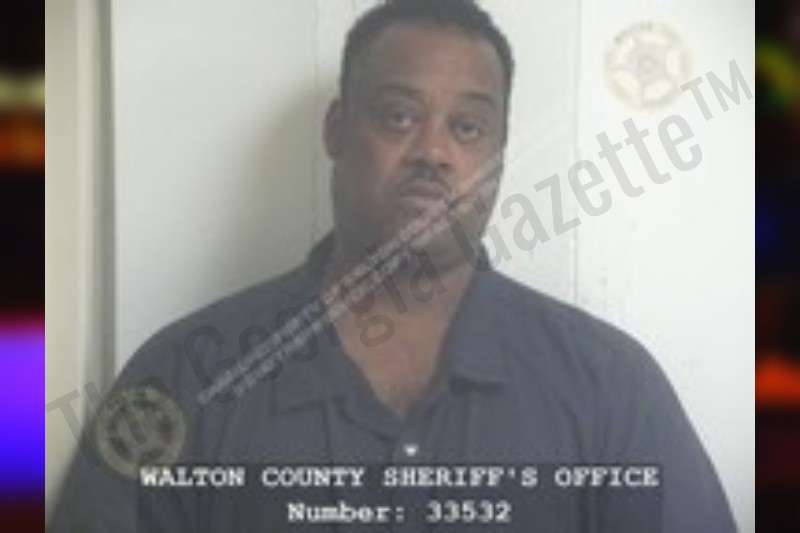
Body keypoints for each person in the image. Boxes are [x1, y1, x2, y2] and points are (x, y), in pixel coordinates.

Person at [48, 0, 736, 531]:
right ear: (337, 130)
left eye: (467, 127)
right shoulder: (182, 379)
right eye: (399, 116)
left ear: (497, 156)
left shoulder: (610, 386)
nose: (433, 152)